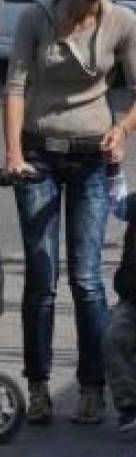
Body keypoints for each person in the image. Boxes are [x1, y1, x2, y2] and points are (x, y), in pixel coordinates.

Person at [2, 0, 136, 425]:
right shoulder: (37, 18)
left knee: (86, 279)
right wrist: (14, 152)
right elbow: (15, 86)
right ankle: (37, 385)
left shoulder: (122, 22)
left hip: (92, 161)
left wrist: (121, 129)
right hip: (39, 155)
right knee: (41, 277)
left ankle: (92, 386)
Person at [105, 186, 136, 434]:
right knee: (114, 337)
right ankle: (129, 406)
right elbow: (119, 203)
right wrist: (113, 167)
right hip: (132, 299)